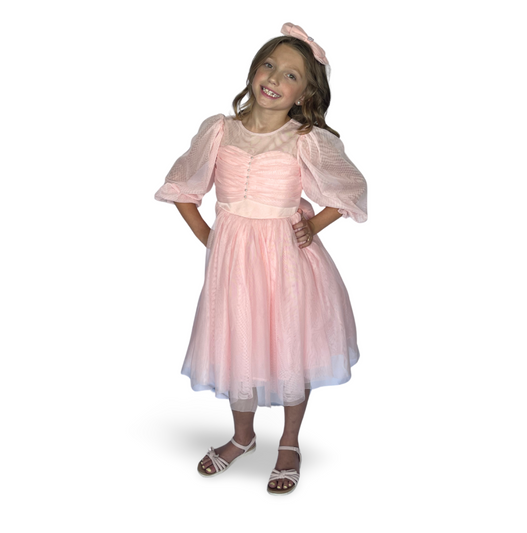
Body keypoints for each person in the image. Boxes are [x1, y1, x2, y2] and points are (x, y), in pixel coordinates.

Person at [154, 23, 367, 495]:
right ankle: (243, 437)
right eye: (269, 65)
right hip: (233, 263)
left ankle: (289, 441)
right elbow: (183, 186)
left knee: (291, 343)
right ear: (254, 69)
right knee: (239, 341)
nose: (274, 78)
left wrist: (314, 225)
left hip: (287, 263)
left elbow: (349, 187)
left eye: (291, 75)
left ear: (305, 92)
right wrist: (211, 238)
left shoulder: (305, 138)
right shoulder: (220, 130)